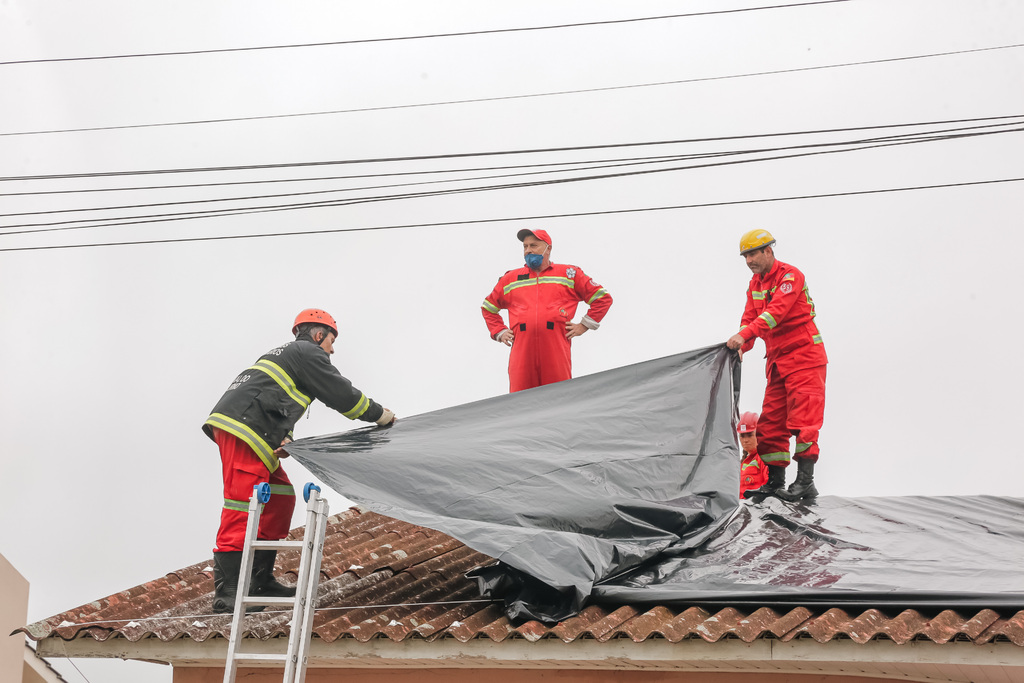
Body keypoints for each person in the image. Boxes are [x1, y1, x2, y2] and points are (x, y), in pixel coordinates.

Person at [202, 308, 396, 613]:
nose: (332, 349)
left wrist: (284, 437)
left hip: (255, 429)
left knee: (279, 498)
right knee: (243, 502)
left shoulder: (292, 355)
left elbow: (275, 399)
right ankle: (228, 592)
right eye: (331, 341)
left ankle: (259, 581)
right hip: (243, 429)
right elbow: (341, 395)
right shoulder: (307, 351)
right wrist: (378, 414)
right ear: (319, 334)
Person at [726, 230, 827, 502]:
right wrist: (742, 347)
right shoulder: (755, 284)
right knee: (770, 424)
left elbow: (774, 315)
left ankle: (805, 482)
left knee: (804, 420)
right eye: (745, 256)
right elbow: (749, 318)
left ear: (768, 251)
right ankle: (774, 482)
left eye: (753, 254)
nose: (748, 260)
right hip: (778, 362)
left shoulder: (789, 276)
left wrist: (745, 337)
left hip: (804, 357)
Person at [481, 228, 613, 392]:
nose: (528, 250)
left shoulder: (569, 274)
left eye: (533, 245)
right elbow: (488, 308)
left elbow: (602, 298)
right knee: (520, 402)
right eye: (525, 246)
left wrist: (584, 325)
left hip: (555, 348)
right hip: (522, 351)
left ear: (548, 248)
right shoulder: (510, 279)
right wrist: (499, 331)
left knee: (558, 397)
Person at [737, 411, 768, 499]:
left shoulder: (764, 458)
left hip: (755, 510)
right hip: (740, 509)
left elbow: (770, 491)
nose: (745, 440)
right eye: (742, 436)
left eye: (750, 435)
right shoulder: (742, 463)